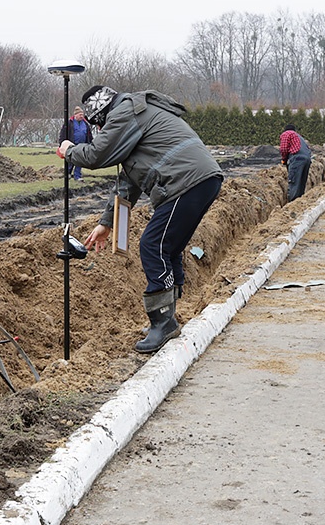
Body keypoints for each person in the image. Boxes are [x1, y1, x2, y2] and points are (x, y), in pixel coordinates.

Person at [58, 85, 223, 354]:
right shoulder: (136, 114)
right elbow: (129, 182)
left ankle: (163, 321)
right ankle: (168, 317)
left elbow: (97, 155)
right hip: (200, 179)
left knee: (152, 244)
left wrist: (70, 151)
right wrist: (107, 223)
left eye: (99, 126)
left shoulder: (124, 112)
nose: (101, 130)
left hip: (185, 180)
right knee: (168, 248)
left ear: (99, 116)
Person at [58, 106, 93, 181]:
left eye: (82, 114)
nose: (81, 116)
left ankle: (77, 176)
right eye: (80, 114)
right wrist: (61, 143)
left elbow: (89, 135)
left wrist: (91, 143)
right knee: (70, 160)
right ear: (75, 115)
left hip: (82, 146)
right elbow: (63, 133)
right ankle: (68, 173)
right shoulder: (69, 123)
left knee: (80, 161)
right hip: (72, 145)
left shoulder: (85, 124)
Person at [279, 124, 312, 202]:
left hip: (297, 158)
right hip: (307, 159)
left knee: (294, 182)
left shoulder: (287, 134)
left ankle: (292, 203)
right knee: (301, 182)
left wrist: (284, 159)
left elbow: (283, 149)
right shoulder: (299, 137)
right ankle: (299, 202)